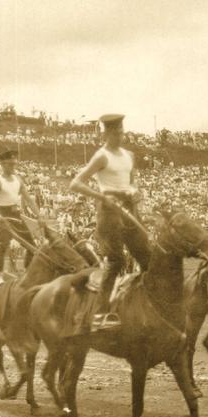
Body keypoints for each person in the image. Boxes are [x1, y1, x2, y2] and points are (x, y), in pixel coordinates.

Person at [70, 113, 151, 330]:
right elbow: (76, 183)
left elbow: (133, 182)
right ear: (105, 133)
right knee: (116, 261)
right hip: (109, 211)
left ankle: (144, 306)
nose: (120, 135)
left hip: (129, 208)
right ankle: (100, 314)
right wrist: (102, 196)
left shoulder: (129, 155)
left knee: (148, 258)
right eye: (115, 132)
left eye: (122, 131)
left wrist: (135, 193)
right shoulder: (101, 156)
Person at [0, 149, 43, 285]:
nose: (13, 167)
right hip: (3, 216)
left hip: (16, 215)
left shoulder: (18, 179)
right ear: (3, 165)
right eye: (10, 164)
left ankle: (27, 273)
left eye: (14, 164)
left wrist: (39, 216)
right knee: (3, 246)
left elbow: (29, 199)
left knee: (32, 246)